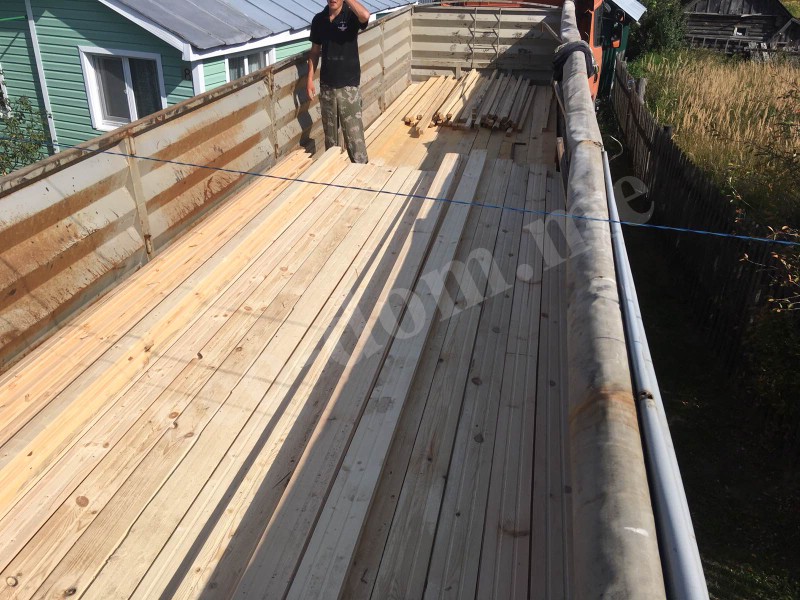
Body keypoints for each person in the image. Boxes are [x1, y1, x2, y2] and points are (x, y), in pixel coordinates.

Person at [306, 0, 370, 164]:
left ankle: (360, 170)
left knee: (355, 138)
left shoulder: (351, 16)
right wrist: (310, 79)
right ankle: (333, 171)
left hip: (348, 87)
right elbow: (314, 51)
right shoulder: (319, 19)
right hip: (327, 87)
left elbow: (365, 15)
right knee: (331, 139)